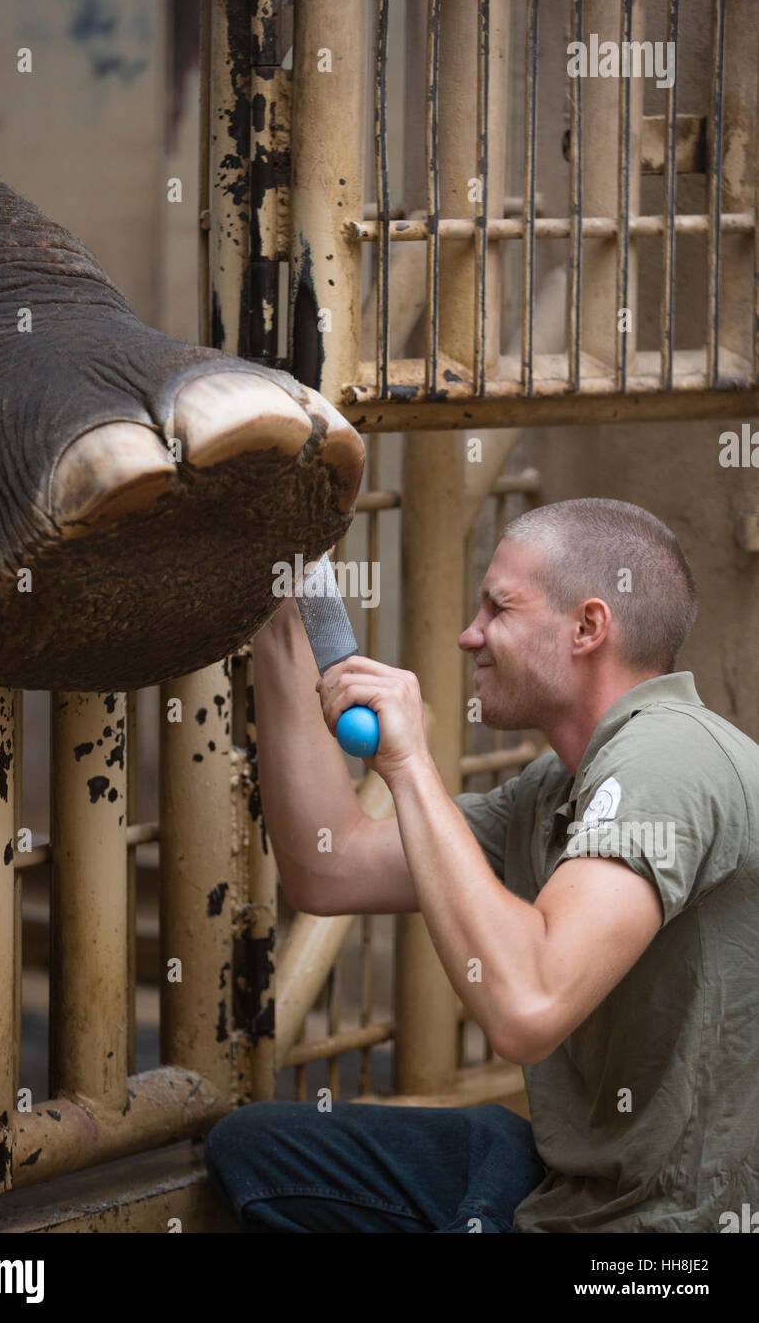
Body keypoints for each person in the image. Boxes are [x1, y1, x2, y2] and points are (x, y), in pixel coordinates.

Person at [204, 498, 759, 1232]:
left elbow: (527, 1008)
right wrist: (286, 604)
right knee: (257, 1148)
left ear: (588, 628)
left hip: (670, 1233)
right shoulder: (557, 788)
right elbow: (330, 868)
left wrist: (406, 763)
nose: (470, 635)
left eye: (497, 608)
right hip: (573, 1183)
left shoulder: (668, 758)